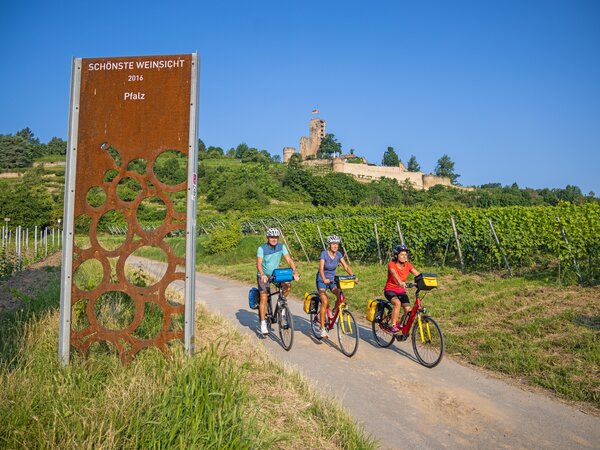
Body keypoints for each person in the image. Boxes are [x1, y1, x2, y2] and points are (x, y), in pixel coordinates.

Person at [256, 228, 299, 335]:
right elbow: (259, 264)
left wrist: (294, 271)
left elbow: (289, 259)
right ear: (267, 238)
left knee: (288, 285)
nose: (274, 239)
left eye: (275, 237)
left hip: (275, 274)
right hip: (264, 275)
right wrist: (262, 275)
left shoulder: (281, 246)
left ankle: (282, 304)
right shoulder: (262, 248)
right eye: (271, 237)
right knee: (264, 297)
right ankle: (262, 323)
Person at [316, 234, 357, 338]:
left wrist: (352, 276)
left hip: (332, 280)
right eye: (333, 244)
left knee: (340, 295)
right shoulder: (324, 254)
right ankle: (322, 329)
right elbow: (321, 268)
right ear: (329, 245)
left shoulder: (338, 254)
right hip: (322, 280)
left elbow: (346, 266)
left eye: (337, 244)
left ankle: (335, 311)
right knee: (324, 301)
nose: (335, 246)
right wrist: (324, 278)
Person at [384, 244, 421, 334]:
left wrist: (425, 280)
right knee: (397, 303)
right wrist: (400, 281)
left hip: (401, 291)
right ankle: (393, 325)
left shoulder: (407, 265)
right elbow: (393, 273)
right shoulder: (391, 264)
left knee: (408, 309)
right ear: (396, 256)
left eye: (405, 255)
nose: (404, 256)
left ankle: (400, 326)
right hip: (390, 290)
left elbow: (417, 274)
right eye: (402, 255)